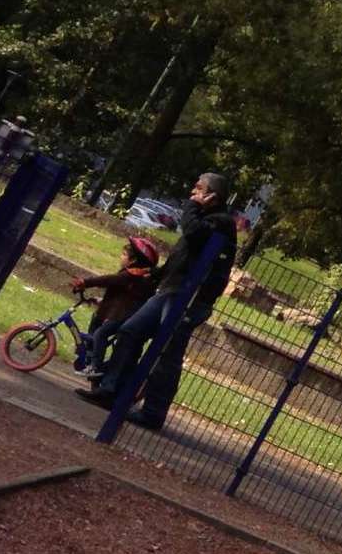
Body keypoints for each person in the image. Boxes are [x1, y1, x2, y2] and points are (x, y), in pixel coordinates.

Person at [81, 170, 239, 429]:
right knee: (130, 331)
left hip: (190, 299)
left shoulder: (221, 223)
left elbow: (193, 232)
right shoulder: (203, 219)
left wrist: (192, 207)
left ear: (213, 196)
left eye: (198, 188)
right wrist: (155, 275)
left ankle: (153, 413)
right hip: (170, 290)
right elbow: (184, 258)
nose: (192, 192)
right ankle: (111, 391)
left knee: (167, 353)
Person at [68, 234, 162, 374]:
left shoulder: (132, 275)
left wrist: (85, 282)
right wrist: (101, 300)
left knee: (100, 334)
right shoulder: (136, 277)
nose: (121, 257)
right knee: (96, 325)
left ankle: (95, 366)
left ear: (133, 260)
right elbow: (122, 296)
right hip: (120, 313)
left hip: (123, 316)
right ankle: (89, 356)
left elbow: (109, 280)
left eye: (124, 254)